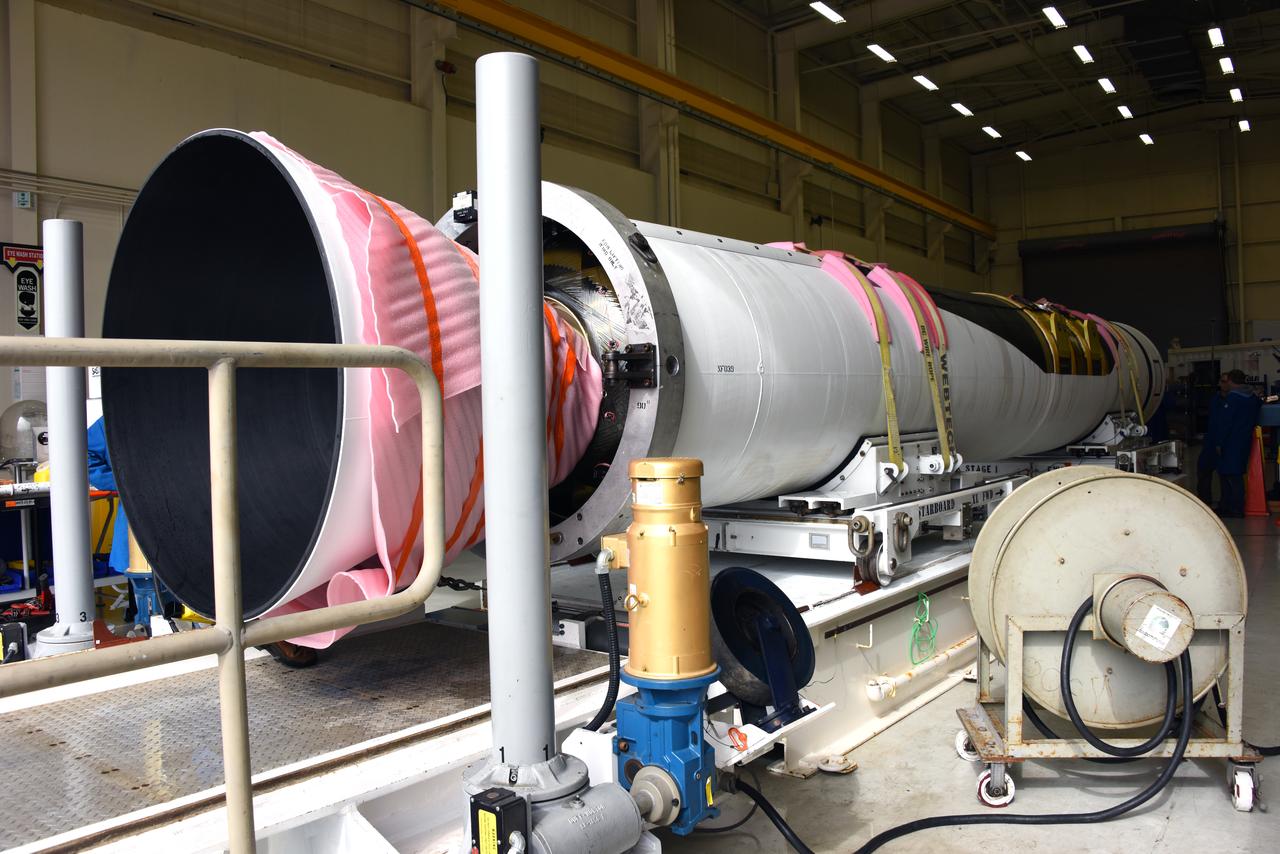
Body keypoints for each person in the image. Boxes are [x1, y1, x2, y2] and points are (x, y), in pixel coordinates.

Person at [1215, 369, 1263, 518]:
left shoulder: (1233, 398)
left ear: (1230, 381)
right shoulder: (1253, 398)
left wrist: (1219, 442)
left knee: (1230, 476)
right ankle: (1230, 506)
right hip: (1245, 441)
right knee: (1236, 474)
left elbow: (1225, 423)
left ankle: (1234, 508)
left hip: (1231, 442)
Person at [1197, 373, 1229, 507]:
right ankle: (1204, 502)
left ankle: (1226, 503)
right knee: (1203, 469)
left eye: (1224, 381)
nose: (1220, 384)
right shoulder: (1215, 399)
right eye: (1220, 381)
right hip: (1211, 440)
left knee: (1226, 475)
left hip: (1225, 441)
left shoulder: (1234, 400)